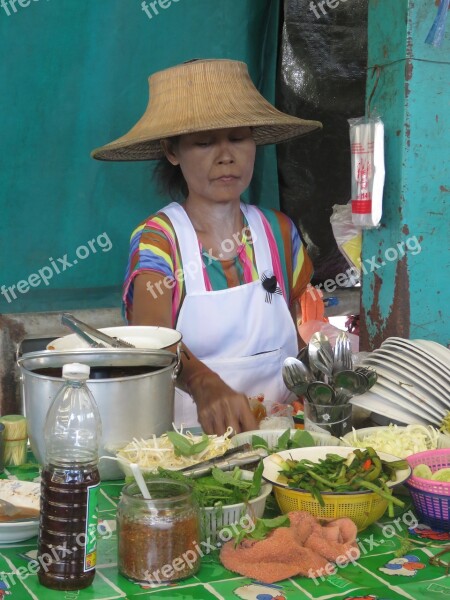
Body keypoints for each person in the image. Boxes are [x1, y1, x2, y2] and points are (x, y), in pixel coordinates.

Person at [92, 59, 322, 435]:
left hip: (282, 444)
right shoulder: (159, 241)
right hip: (189, 448)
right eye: (203, 142)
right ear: (172, 151)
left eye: (238, 137)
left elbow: (299, 333)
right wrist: (203, 382)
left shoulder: (279, 232)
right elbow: (151, 346)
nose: (225, 155)